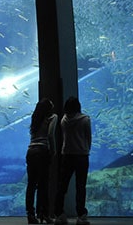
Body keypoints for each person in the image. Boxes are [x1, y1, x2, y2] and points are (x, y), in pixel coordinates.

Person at [54, 96, 91, 225]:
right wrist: (86, 149)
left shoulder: (63, 120)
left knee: (62, 185)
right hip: (81, 155)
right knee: (81, 186)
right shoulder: (85, 119)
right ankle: (81, 215)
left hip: (67, 155)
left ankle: (59, 214)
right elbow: (88, 137)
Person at [26, 98, 58, 224]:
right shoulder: (53, 117)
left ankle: (30, 214)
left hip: (31, 151)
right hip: (43, 151)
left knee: (31, 184)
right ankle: (44, 214)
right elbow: (50, 134)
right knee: (43, 185)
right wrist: (54, 151)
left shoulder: (35, 118)